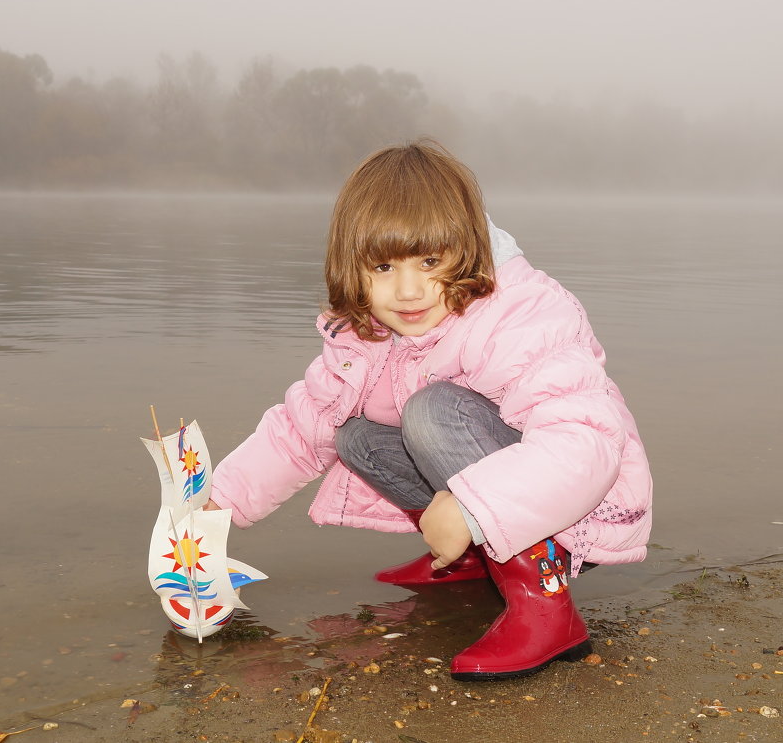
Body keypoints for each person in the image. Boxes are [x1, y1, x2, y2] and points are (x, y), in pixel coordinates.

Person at [203, 140, 652, 681]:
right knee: (355, 437)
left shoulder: (516, 313)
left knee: (431, 411)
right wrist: (216, 508)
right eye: (384, 266)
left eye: (431, 262)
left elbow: (585, 440)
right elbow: (303, 428)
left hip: (579, 504)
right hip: (501, 492)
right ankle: (467, 559)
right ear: (353, 267)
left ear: (465, 251)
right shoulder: (365, 330)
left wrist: (470, 507)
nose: (408, 290)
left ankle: (545, 606)